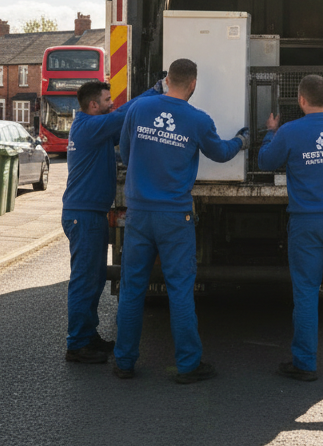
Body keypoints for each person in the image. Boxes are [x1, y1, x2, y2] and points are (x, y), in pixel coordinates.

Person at [113, 58, 247, 383]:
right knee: (180, 289)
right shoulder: (197, 119)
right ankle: (188, 365)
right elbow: (220, 153)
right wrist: (242, 140)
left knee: (132, 288)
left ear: (167, 79)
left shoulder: (138, 110)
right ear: (193, 85)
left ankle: (124, 362)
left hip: (139, 212)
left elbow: (125, 153)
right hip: (174, 215)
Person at [258, 74, 323, 381]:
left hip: (306, 222)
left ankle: (305, 363)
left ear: (301, 99)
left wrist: (270, 132)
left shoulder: (290, 132)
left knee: (306, 291)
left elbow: (266, 162)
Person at [60, 77, 161, 364]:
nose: (111, 103)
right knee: (84, 280)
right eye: (106, 100)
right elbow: (123, 115)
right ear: (93, 105)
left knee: (93, 279)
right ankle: (77, 344)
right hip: (84, 216)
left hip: (88, 214)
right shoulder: (90, 126)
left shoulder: (95, 129)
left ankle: (87, 337)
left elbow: (124, 127)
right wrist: (154, 91)